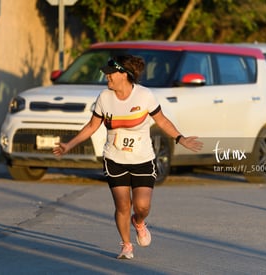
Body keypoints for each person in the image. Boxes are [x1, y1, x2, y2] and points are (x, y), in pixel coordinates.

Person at [53, 54, 203, 260]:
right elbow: (92, 126)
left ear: (124, 74)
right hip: (114, 159)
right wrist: (69, 145)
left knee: (142, 206)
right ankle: (126, 245)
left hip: (142, 159)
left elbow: (162, 120)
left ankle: (139, 222)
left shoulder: (144, 96)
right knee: (122, 205)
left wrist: (180, 138)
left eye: (110, 74)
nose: (107, 77)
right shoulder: (104, 98)